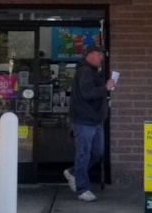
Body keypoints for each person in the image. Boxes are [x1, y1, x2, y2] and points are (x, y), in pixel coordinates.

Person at [63, 45, 115, 202]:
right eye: (99, 55)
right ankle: (82, 189)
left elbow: (93, 91)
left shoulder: (92, 71)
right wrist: (105, 88)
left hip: (95, 120)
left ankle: (73, 173)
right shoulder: (85, 71)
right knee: (84, 154)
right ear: (91, 55)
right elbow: (87, 93)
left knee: (97, 153)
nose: (101, 58)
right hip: (84, 120)